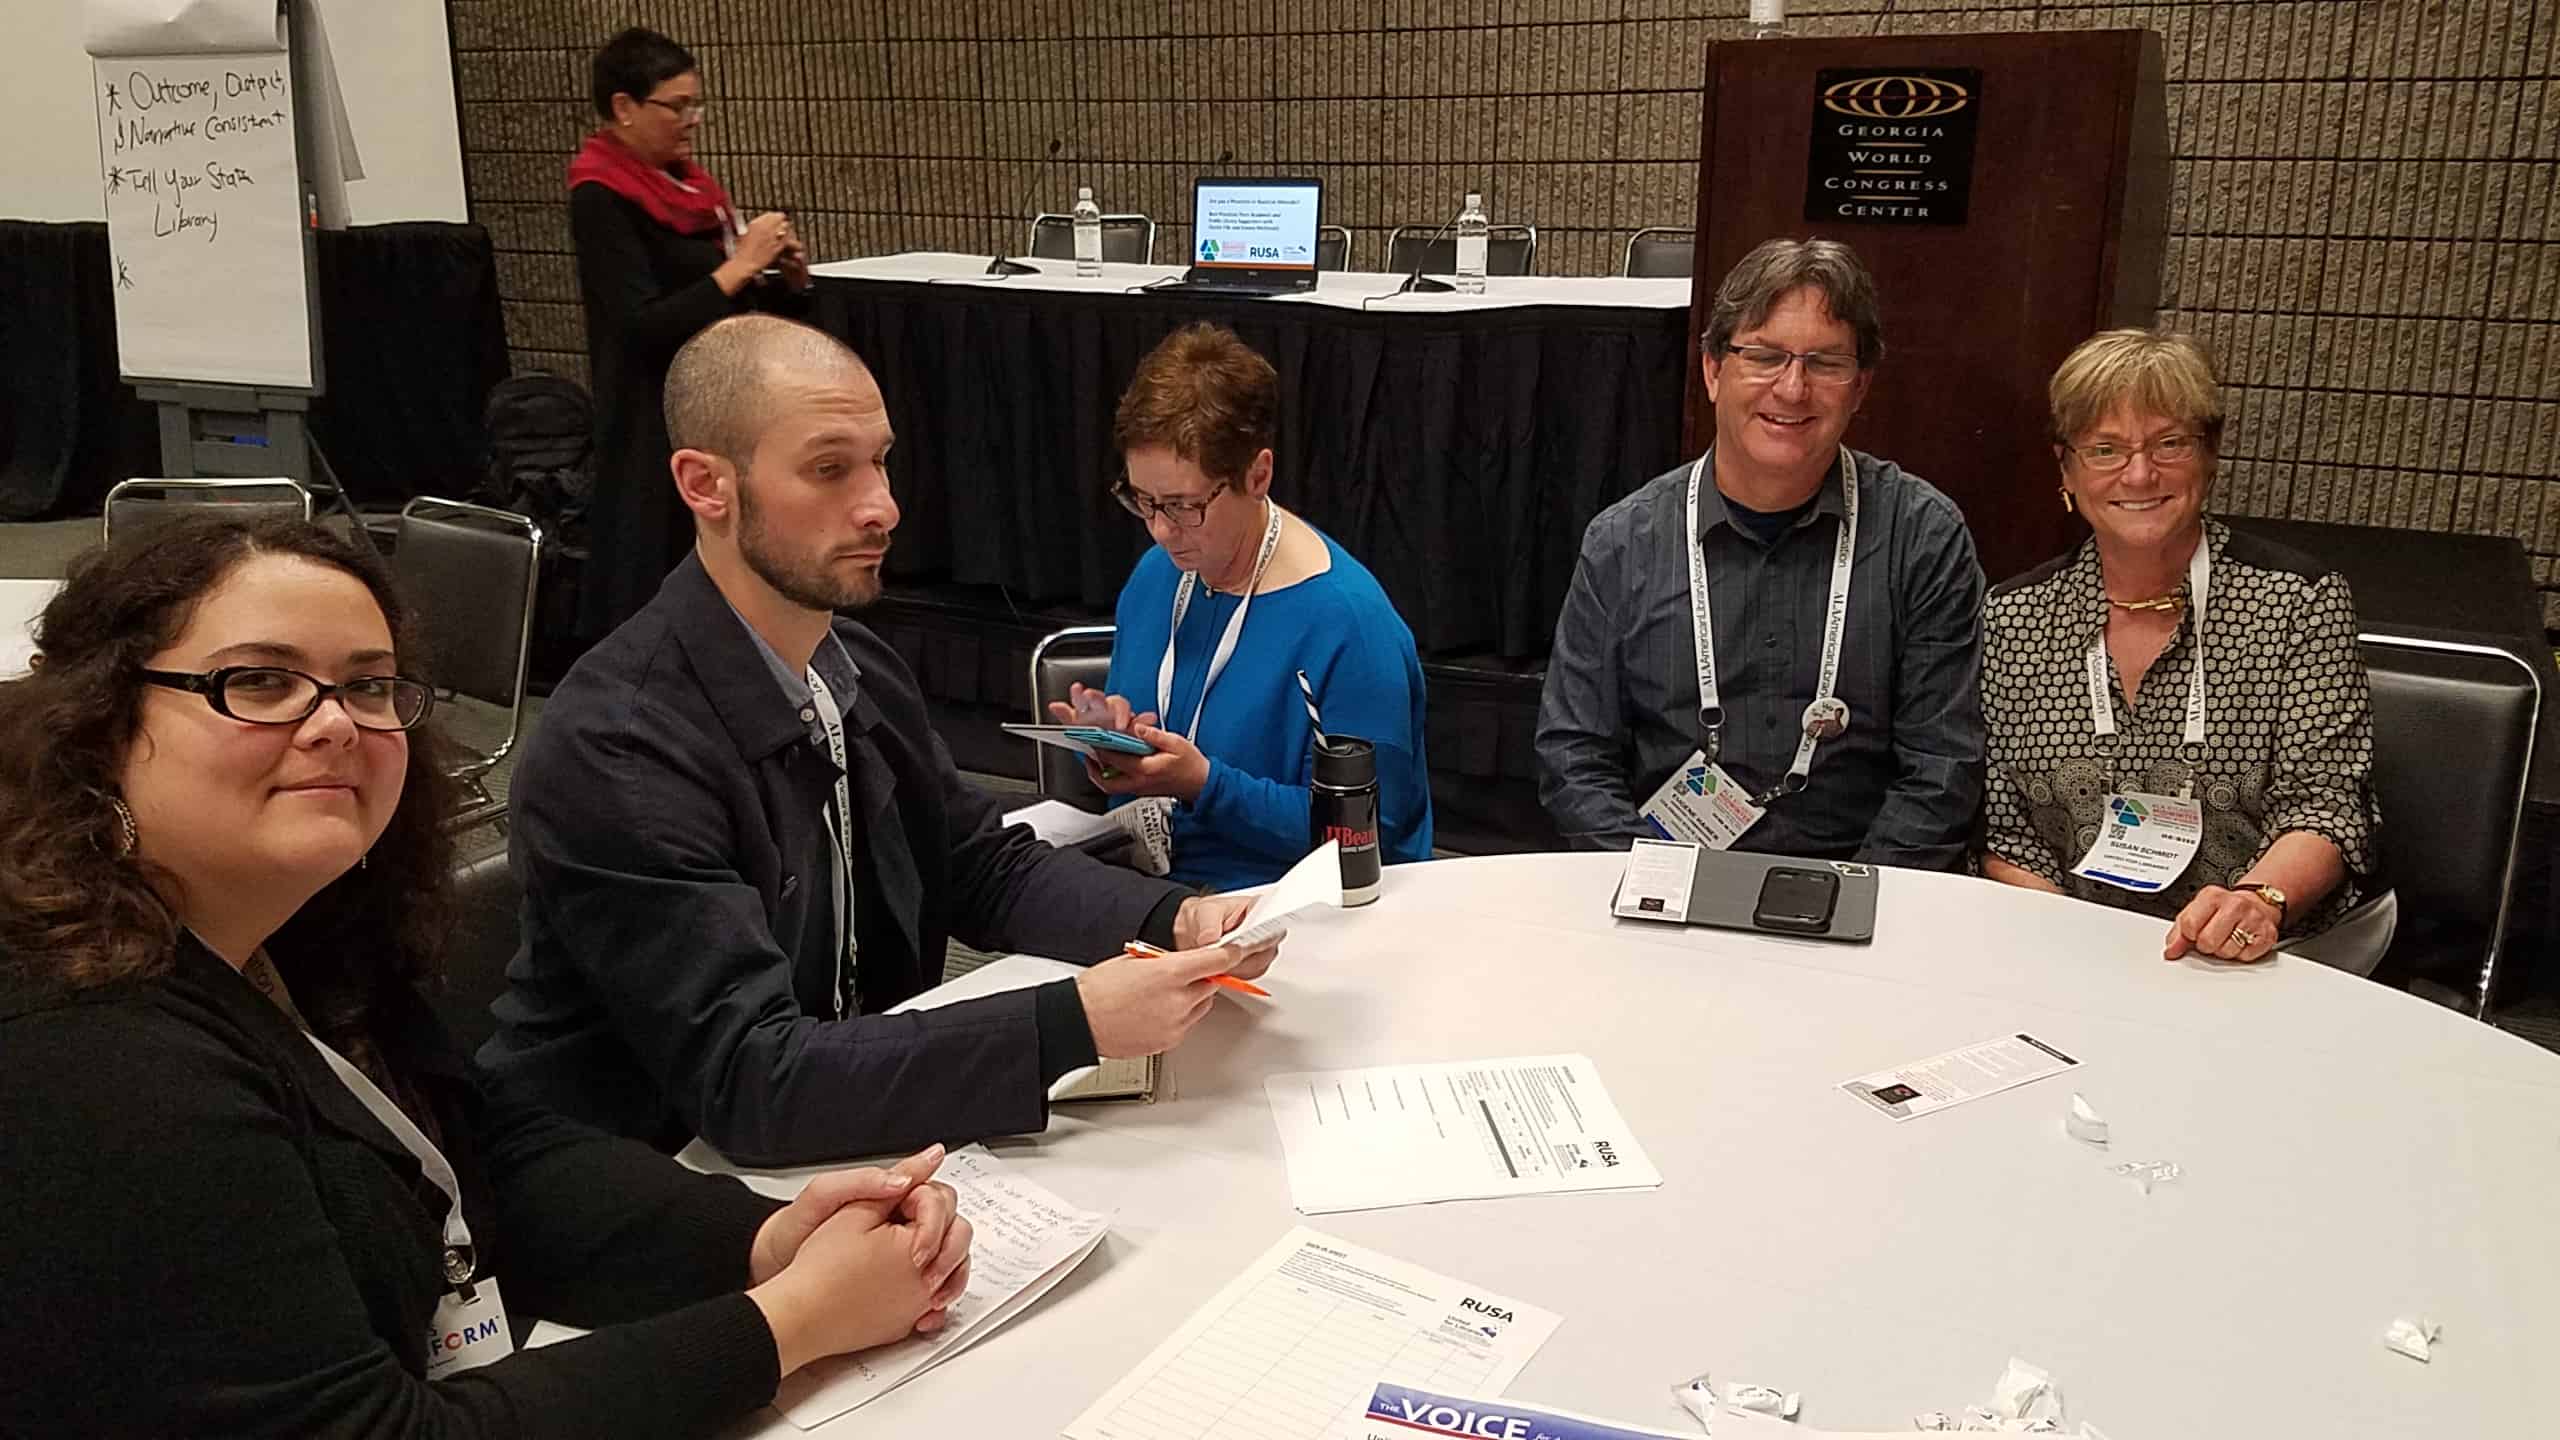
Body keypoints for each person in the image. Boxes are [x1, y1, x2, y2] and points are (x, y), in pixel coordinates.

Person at [0, 519, 972, 1435]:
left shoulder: (295, 933)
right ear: (100, 723)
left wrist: (765, 1242)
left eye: (370, 686)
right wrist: (790, 1325)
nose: (336, 723)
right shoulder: (86, 1054)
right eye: (260, 682)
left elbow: (485, 1152)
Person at [481, 315, 1275, 1167]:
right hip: (640, 1180)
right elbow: (751, 1081)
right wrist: (1071, 1023)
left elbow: (978, 863)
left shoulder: (851, 663)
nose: (882, 506)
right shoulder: (620, 749)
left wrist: (1177, 916)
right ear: (706, 486)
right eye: (830, 470)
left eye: (880, 461)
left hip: (831, 1127)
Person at [1535, 237, 1984, 868]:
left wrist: (1852, 896)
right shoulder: (1624, 541)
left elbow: (1942, 767)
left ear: (1860, 388)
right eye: (1765, 356)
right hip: (1663, 882)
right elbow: (1573, 756)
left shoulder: (1922, 535)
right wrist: (1657, 884)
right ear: (1714, 370)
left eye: (1825, 363)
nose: (1793, 388)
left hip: (1863, 890)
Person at [1980, 329, 2381, 961]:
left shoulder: (2295, 602)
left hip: (2254, 955)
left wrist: (2258, 901)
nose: (2140, 474)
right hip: (2069, 952)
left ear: (2210, 454)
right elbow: (2005, 831)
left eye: (2169, 443)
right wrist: (2073, 953)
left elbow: (2327, 807)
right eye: (2105, 449)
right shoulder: (2017, 616)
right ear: (2066, 468)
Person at [1047, 322, 1433, 889]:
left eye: (1182, 505)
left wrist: (1204, 785)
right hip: (1151, 887)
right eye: (1143, 501)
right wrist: (1117, 746)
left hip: (1290, 904)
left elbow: (1371, 836)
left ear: (1258, 474)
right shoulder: (1159, 576)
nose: (1159, 530)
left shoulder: (1348, 626)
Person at [570, 26, 811, 640]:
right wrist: (738, 267)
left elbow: (722, 297)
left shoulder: (692, 189)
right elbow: (640, 324)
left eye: (694, 105)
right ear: (624, 107)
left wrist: (781, 277)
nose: (691, 120)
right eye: (676, 106)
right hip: (652, 412)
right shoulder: (601, 193)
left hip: (715, 396)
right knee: (659, 561)